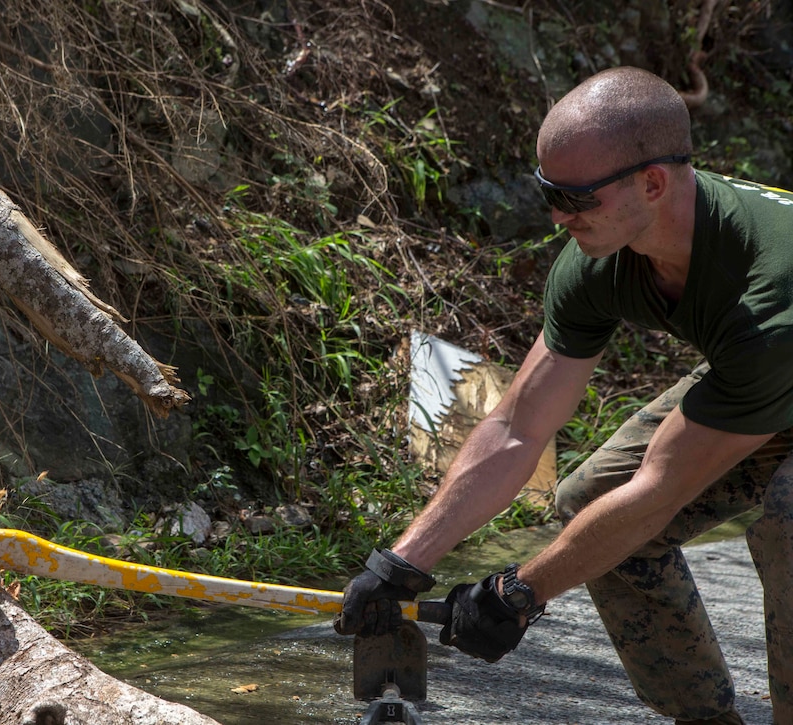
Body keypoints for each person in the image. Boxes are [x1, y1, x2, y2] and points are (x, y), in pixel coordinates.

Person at [334, 66, 793, 725]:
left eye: (574, 196)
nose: (556, 215)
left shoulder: (769, 295)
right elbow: (519, 424)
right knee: (590, 502)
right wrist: (404, 560)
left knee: (787, 516)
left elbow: (657, 494)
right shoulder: (601, 255)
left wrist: (518, 592)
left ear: (653, 183)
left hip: (776, 356)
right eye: (547, 190)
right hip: (767, 379)